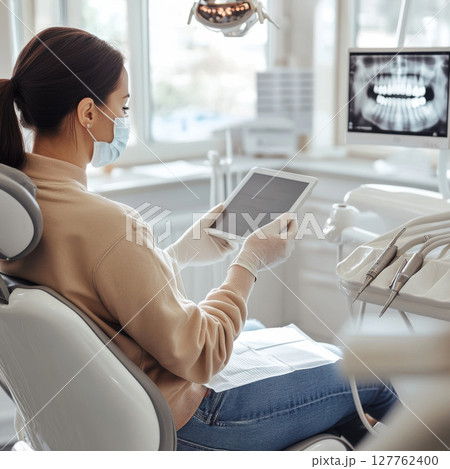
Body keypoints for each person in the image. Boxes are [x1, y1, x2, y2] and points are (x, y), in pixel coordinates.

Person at [0, 27, 397, 451]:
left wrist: (185, 251)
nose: (125, 120)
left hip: (79, 425)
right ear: (88, 114)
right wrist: (249, 263)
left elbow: (101, 300)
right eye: (124, 106)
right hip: (187, 423)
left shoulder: (19, 208)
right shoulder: (106, 224)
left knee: (262, 331)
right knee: (372, 375)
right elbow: (202, 353)